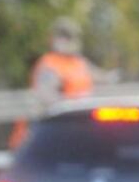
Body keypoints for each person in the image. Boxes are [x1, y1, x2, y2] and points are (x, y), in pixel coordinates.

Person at [8, 17, 95, 148]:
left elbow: (100, 81)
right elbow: (46, 97)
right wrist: (72, 104)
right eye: (63, 36)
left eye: (69, 36)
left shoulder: (79, 63)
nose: (66, 41)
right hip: (40, 137)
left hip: (71, 131)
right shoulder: (49, 63)